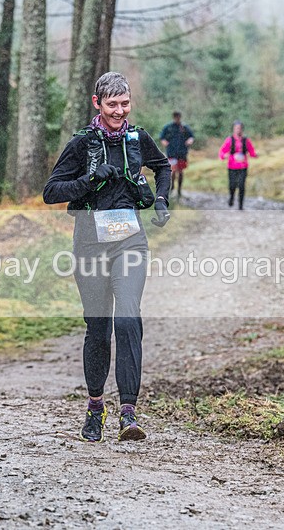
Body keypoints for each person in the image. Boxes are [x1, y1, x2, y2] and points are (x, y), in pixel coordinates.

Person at [43, 72, 171, 443]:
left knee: (128, 319)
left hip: (130, 241)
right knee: (98, 327)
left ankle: (128, 412)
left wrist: (161, 199)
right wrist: (89, 180)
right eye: (112, 104)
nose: (119, 111)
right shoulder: (81, 143)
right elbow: (51, 191)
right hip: (90, 243)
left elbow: (162, 167)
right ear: (97, 103)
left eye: (125, 103)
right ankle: (95, 408)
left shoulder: (137, 138)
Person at [218, 120, 257, 210]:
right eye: (236, 128)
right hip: (232, 166)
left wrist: (255, 155)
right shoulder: (229, 140)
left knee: (241, 185)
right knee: (232, 185)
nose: (238, 130)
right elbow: (222, 152)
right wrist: (224, 156)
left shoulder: (246, 140)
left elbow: (252, 151)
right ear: (233, 129)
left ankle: (240, 205)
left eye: (239, 128)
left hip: (243, 167)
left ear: (242, 129)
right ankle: (231, 197)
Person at [159, 111, 194, 197]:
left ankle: (179, 190)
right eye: (176, 117)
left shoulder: (184, 127)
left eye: (178, 117)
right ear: (173, 117)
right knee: (173, 170)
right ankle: (172, 188)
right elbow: (162, 137)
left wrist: (189, 141)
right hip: (171, 153)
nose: (177, 119)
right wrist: (165, 143)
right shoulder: (168, 127)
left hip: (182, 153)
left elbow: (191, 136)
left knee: (181, 171)